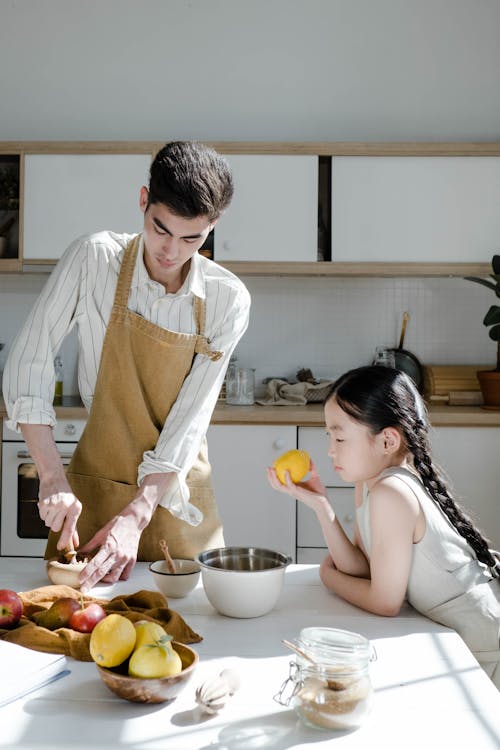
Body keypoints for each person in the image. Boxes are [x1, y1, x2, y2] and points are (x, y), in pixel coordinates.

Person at [3, 141, 250, 591]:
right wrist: (52, 476)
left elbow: (190, 419)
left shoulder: (226, 300)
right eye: (161, 229)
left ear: (212, 226)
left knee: (186, 631)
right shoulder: (93, 260)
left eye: (191, 238)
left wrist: (138, 516)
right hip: (93, 490)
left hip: (172, 493)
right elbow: (27, 362)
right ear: (143, 201)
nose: (171, 251)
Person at [267, 365, 500, 688]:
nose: (330, 449)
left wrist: (327, 576)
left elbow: (384, 602)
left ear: (387, 440)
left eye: (340, 436)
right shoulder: (371, 482)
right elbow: (365, 571)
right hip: (465, 637)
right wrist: (321, 506)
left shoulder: (392, 493)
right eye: (328, 436)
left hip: (485, 646)